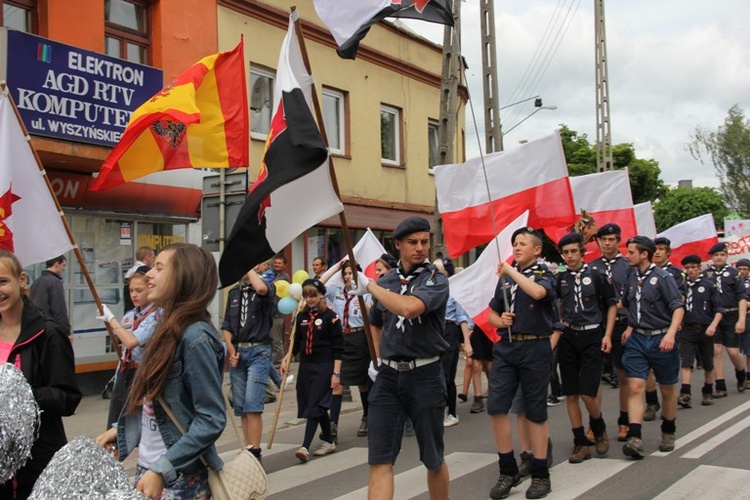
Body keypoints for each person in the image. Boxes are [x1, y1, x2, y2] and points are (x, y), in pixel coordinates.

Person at [96, 244, 226, 498]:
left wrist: (161, 469)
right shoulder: (164, 328)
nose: (149, 276)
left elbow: (211, 419)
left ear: (184, 277)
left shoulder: (195, 336)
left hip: (179, 477)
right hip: (152, 468)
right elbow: (155, 405)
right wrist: (120, 431)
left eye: (159, 268)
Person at [352, 216, 450, 500]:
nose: (420, 248)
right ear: (398, 245)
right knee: (379, 459)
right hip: (389, 377)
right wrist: (378, 358)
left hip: (426, 375)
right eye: (412, 242)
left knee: (433, 458)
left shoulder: (435, 279)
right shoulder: (388, 281)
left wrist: (370, 287)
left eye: (424, 241)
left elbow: (409, 308)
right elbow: (374, 321)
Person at [0, 250, 81, 500]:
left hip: (36, 464)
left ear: (21, 280)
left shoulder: (49, 334)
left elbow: (68, 398)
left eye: (2, 281)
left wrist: (15, 398)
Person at [486, 227, 556, 500]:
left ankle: (540, 473)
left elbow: (538, 293)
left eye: (523, 244)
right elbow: (492, 314)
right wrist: (499, 320)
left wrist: (511, 271)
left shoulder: (544, 272)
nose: (516, 247)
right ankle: (508, 468)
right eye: (515, 243)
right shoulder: (505, 279)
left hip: (535, 346)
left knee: (536, 411)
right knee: (496, 407)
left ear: (536, 250)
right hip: (507, 346)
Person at [555, 232, 617, 464]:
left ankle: (598, 427)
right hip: (569, 335)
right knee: (571, 393)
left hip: (592, 335)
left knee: (587, 393)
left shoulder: (597, 275)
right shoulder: (560, 278)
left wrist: (608, 334)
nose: (570, 256)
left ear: (582, 251)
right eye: (565, 253)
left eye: (573, 251)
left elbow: (611, 305)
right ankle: (580, 442)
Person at [620, 236, 684, 459]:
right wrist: (629, 326)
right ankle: (635, 437)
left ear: (643, 254)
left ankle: (668, 430)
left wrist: (671, 333)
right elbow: (629, 304)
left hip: (660, 339)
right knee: (636, 385)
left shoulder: (663, 277)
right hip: (638, 338)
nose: (627, 256)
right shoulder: (631, 276)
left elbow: (678, 307)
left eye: (631, 252)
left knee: (666, 388)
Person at [283, 278, 343, 462]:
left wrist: (336, 374)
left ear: (320, 296)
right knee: (316, 405)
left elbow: (338, 348)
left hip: (324, 366)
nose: (309, 299)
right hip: (306, 367)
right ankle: (329, 440)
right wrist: (287, 358)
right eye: (306, 296)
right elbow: (296, 343)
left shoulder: (331, 318)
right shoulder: (301, 317)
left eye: (313, 296)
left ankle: (305, 446)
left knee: (314, 405)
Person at [222, 266, 276, 462]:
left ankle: (255, 452)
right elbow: (227, 325)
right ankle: (247, 448)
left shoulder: (266, 287)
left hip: (259, 350)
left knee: (253, 403)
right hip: (239, 352)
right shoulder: (234, 293)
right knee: (242, 405)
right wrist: (231, 350)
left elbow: (261, 289)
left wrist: (249, 267)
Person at [98, 267, 159, 430]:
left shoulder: (156, 316)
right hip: (125, 373)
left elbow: (131, 341)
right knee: (114, 423)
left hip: (142, 376)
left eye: (139, 290)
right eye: (131, 290)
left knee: (135, 426)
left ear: (150, 289)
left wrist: (111, 319)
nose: (134, 295)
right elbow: (124, 344)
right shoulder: (129, 316)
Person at [589, 223, 632, 442]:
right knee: (594, 377)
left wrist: (616, 305)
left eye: (612, 239)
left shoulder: (627, 265)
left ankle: (624, 421)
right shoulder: (591, 266)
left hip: (622, 325)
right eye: (603, 239)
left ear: (618, 241)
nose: (607, 243)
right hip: (597, 325)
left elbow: (633, 297)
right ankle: (595, 424)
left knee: (623, 375)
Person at [323, 260, 373, 439]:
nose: (348, 276)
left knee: (362, 382)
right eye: (345, 273)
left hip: (360, 338)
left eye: (351, 273)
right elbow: (318, 287)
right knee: (337, 382)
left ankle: (367, 416)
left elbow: (376, 315)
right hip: (342, 338)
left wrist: (366, 307)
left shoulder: (366, 293)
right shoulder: (337, 292)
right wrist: (334, 268)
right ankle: (333, 425)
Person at [642, 237, 688, 421]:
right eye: (656, 249)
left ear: (668, 252)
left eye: (662, 249)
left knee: (665, 374)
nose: (659, 252)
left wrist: (674, 325)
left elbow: (680, 299)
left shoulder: (675, 273)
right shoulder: (643, 273)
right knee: (646, 371)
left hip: (667, 327)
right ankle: (652, 402)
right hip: (646, 328)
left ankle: (669, 407)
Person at [703, 242, 748, 396]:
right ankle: (720, 385)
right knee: (716, 350)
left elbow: (742, 297)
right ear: (712, 257)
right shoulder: (707, 274)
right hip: (715, 317)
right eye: (716, 255)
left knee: (733, 351)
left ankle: (741, 373)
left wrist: (741, 319)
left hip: (731, 314)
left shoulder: (734, 273)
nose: (719, 258)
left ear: (727, 256)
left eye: (722, 255)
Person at [678, 254, 722, 408]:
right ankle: (685, 393)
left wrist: (713, 325)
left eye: (693, 267)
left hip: (705, 329)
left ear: (699, 268)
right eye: (688, 268)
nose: (690, 271)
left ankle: (708, 390)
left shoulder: (709, 285)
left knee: (708, 362)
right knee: (686, 361)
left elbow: (719, 309)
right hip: (687, 329)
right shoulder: (682, 286)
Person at [435, 260, 473, 428]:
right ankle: (435, 410)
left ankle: (451, 412)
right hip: (433, 332)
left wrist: (467, 342)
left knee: (447, 375)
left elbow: (462, 318)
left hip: (449, 331)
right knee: (434, 374)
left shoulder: (453, 293)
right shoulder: (430, 292)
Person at [29, 254, 70, 335]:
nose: (64, 269)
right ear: (56, 264)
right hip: (51, 331)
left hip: (35, 329)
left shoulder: (36, 282)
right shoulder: (54, 282)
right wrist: (66, 332)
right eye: (63, 265)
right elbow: (59, 310)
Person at [123, 246, 155, 312]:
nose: (153, 260)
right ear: (147, 257)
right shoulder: (146, 271)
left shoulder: (130, 271)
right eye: (152, 257)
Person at [736, 258, 750, 390]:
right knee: (736, 350)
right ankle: (740, 375)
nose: (742, 272)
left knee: (749, 350)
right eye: (739, 269)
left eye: (745, 269)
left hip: (748, 319)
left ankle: (749, 376)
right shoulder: (732, 283)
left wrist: (744, 304)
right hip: (735, 319)